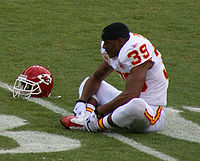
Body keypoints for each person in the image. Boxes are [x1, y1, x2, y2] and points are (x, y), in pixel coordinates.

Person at [60, 22, 169, 133]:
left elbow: (132, 95)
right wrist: (81, 102)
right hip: (125, 108)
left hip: (150, 114)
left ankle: (95, 125)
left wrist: (99, 112)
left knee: (137, 105)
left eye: (107, 43)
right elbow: (97, 77)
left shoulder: (136, 51)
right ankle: (85, 118)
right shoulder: (118, 46)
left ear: (120, 41)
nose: (104, 46)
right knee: (87, 83)